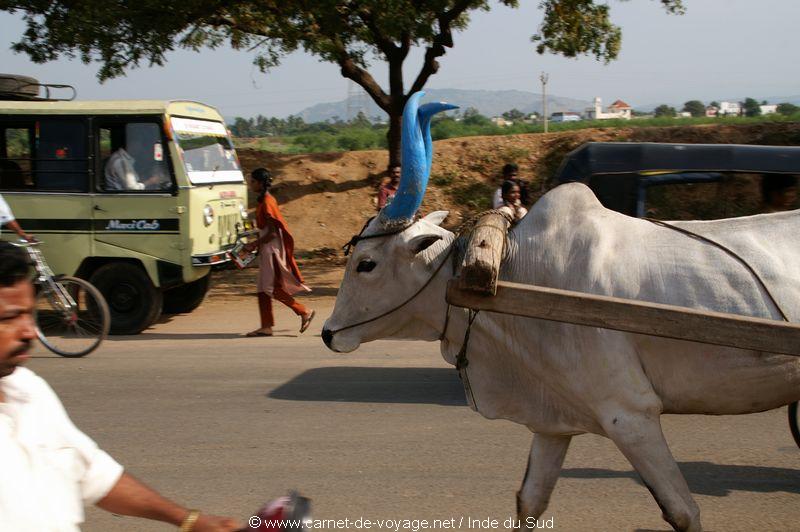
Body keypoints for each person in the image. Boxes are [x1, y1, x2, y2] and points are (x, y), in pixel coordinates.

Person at [0, 242, 242, 532]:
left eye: (29, 313)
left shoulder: (28, 390)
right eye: (9, 317)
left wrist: (189, 521)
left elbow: (95, 475)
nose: (29, 330)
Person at [245, 168, 315, 337]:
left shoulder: (268, 202)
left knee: (272, 288)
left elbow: (273, 233)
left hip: (272, 250)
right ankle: (266, 326)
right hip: (266, 248)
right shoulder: (263, 201)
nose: (250, 184)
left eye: (253, 181)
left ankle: (303, 311)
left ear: (260, 183)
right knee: (263, 289)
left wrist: (254, 243)